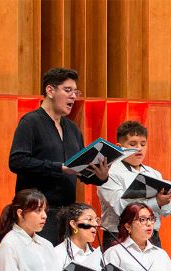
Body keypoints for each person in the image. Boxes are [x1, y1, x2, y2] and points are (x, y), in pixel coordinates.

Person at [8, 67, 108, 242]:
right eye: (67, 90)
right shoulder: (30, 122)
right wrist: (58, 168)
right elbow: (17, 161)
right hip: (37, 212)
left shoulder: (73, 129)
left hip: (66, 214)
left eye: (75, 92)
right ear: (50, 91)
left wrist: (99, 176)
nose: (73, 96)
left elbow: (79, 169)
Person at [98, 120, 171, 248]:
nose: (139, 148)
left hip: (152, 236)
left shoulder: (153, 173)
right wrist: (156, 202)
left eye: (143, 144)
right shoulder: (109, 172)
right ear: (119, 146)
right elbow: (121, 207)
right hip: (120, 236)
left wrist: (165, 201)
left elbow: (169, 210)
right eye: (133, 144)